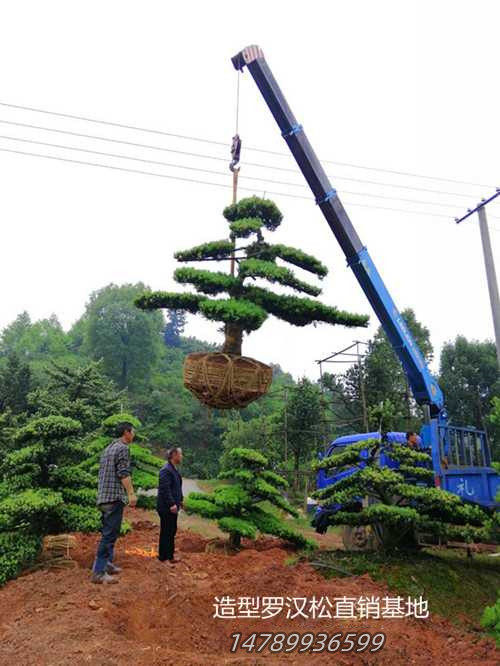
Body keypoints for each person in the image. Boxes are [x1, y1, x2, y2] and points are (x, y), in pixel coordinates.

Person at [91, 422, 137, 584]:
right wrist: (131, 493)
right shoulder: (123, 448)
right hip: (113, 497)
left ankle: (108, 564)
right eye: (133, 432)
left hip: (103, 497)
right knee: (109, 535)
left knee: (108, 532)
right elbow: (123, 473)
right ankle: (98, 572)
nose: (134, 435)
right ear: (126, 432)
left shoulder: (108, 448)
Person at [157, 447, 183, 565]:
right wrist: (172, 504)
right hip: (166, 507)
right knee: (166, 531)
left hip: (173, 507)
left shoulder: (174, 470)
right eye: (180, 454)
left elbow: (177, 487)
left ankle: (170, 555)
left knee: (172, 530)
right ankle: (163, 557)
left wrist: (180, 500)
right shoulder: (166, 470)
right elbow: (165, 489)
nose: (182, 456)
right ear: (174, 455)